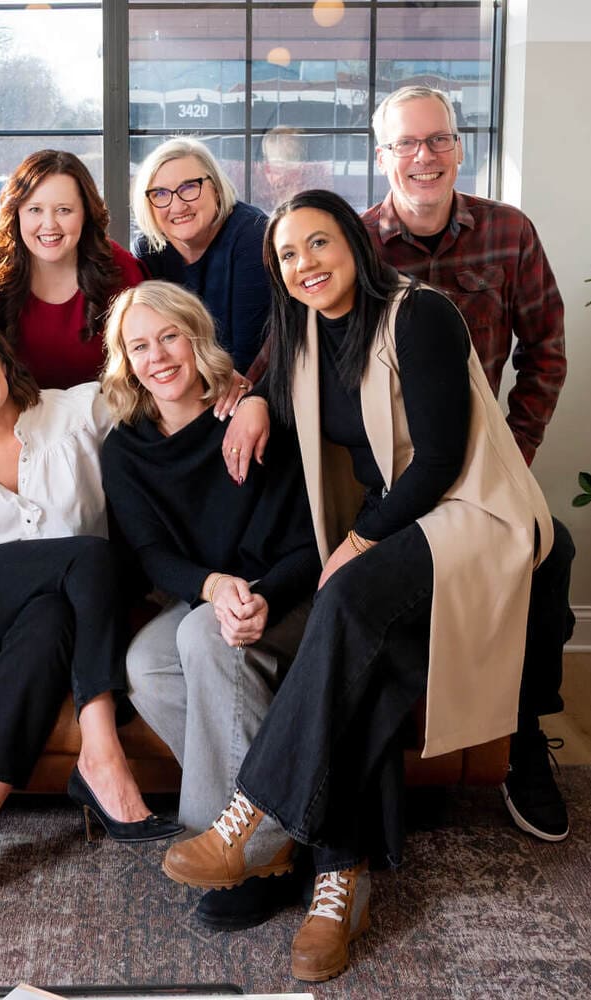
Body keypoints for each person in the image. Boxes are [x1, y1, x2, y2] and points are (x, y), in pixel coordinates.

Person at [164, 190, 554, 983]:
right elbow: (273, 388)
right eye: (287, 254)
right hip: (402, 526)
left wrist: (358, 540)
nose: (304, 263)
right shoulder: (304, 332)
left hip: (469, 515)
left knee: (340, 600)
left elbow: (440, 462)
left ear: (354, 241)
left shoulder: (421, 316)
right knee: (367, 669)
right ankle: (340, 885)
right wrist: (254, 405)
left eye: (318, 243)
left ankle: (249, 815)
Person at [234, 85, 577, 842]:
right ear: (381, 154)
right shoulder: (342, 240)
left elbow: (546, 354)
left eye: (438, 140)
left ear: (458, 146)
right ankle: (326, 825)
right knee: (365, 599)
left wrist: (509, 461)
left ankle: (524, 738)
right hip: (394, 482)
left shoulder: (508, 232)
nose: (424, 156)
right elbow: (290, 343)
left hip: (474, 470)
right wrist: (254, 397)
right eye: (406, 144)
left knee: (549, 551)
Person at [0, 312, 182, 932]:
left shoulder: (78, 411)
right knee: (88, 555)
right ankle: (101, 753)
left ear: (3, 359)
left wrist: (245, 397)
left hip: (60, 599)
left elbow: (163, 386)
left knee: (51, 620)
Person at [99, 281, 320, 932]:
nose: (158, 357)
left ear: (197, 339)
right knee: (146, 663)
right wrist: (217, 587)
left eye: (170, 337)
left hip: (292, 594)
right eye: (140, 346)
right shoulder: (125, 448)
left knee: (203, 638)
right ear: (125, 361)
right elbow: (149, 552)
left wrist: (261, 596)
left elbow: (310, 542)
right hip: (213, 597)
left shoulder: (253, 416)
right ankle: (268, 822)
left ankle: (245, 854)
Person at [0, 149, 146, 389]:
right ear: (16, 213)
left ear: (86, 213)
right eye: (35, 209)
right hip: (8, 411)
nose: (49, 224)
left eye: (64, 210)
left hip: (104, 409)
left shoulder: (121, 270)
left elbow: (145, 363)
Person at [131, 138, 270, 374]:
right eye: (160, 193)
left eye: (189, 187)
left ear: (215, 188)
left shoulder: (253, 236)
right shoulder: (148, 251)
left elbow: (248, 359)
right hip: (177, 382)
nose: (178, 206)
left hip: (245, 383)